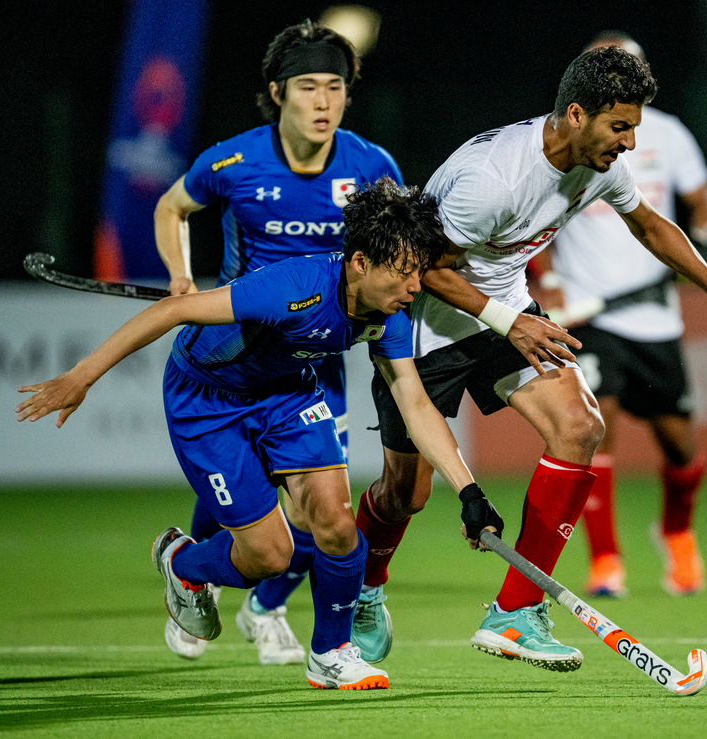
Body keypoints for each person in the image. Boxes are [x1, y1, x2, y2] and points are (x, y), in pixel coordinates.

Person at [355, 46, 707, 672]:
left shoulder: (599, 164)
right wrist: (510, 321)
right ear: (577, 114)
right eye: (620, 126)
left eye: (634, 127)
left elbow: (650, 226)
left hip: (505, 308)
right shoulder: (493, 180)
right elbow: (425, 269)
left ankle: (516, 613)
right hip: (425, 323)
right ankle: (363, 593)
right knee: (405, 494)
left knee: (579, 425)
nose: (630, 143)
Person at [17, 179, 505, 691]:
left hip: (288, 395)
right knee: (268, 557)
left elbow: (416, 404)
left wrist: (469, 492)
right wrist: (82, 377)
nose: (415, 287)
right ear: (361, 262)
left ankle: (330, 654)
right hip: (208, 401)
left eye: (419, 273)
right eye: (404, 273)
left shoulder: (389, 318)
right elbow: (171, 311)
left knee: (339, 527)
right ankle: (182, 562)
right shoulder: (293, 287)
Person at [153, 19, 402, 664]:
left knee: (325, 510)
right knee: (248, 501)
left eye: (335, 87)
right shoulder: (234, 161)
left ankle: (265, 609)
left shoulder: (372, 166)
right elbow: (171, 208)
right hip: (237, 354)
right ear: (278, 92)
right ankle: (200, 573)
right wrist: (181, 277)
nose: (324, 101)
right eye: (309, 86)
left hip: (316, 362)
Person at [533, 32, 707, 598]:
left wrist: (698, 250)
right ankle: (606, 560)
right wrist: (551, 284)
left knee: (681, 447)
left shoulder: (669, 135)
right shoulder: (570, 140)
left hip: (655, 318)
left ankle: (676, 531)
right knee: (597, 434)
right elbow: (531, 221)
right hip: (589, 314)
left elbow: (705, 208)